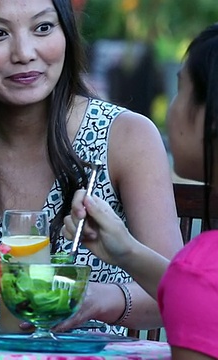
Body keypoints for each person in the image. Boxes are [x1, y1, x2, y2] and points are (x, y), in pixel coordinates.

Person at [0, 0, 183, 334]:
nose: (25, 52)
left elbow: (177, 294)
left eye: (43, 28)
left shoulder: (126, 137)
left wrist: (95, 299)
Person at [63, 24, 218, 359]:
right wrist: (126, 251)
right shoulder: (203, 270)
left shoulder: (205, 264)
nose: (172, 109)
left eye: (181, 91)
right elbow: (196, 286)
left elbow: (201, 287)